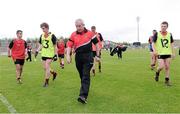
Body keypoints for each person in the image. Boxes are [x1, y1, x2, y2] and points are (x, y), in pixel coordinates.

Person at [66, 19, 100, 104]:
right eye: (77, 26)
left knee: (85, 75)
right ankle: (84, 88)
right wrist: (67, 56)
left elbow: (97, 44)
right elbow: (69, 46)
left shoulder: (90, 33)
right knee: (82, 75)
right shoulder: (73, 34)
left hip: (88, 56)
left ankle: (83, 96)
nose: (78, 28)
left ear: (83, 25)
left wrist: (97, 55)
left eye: (80, 26)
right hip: (78, 57)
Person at [152, 21, 175, 86]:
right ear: (160, 27)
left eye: (164, 26)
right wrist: (154, 51)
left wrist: (173, 52)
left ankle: (167, 80)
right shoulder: (157, 34)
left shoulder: (170, 34)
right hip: (160, 53)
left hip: (168, 53)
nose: (163, 27)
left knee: (167, 67)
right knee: (161, 67)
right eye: (162, 26)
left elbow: (172, 43)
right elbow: (153, 43)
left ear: (167, 27)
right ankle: (157, 73)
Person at [35, 22, 58, 87]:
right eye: (42, 29)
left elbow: (55, 46)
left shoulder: (52, 36)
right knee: (45, 68)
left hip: (50, 54)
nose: (43, 30)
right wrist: (37, 51)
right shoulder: (41, 36)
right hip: (43, 54)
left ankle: (46, 82)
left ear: (47, 28)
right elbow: (41, 45)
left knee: (47, 66)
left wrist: (56, 55)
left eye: (44, 28)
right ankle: (54, 73)